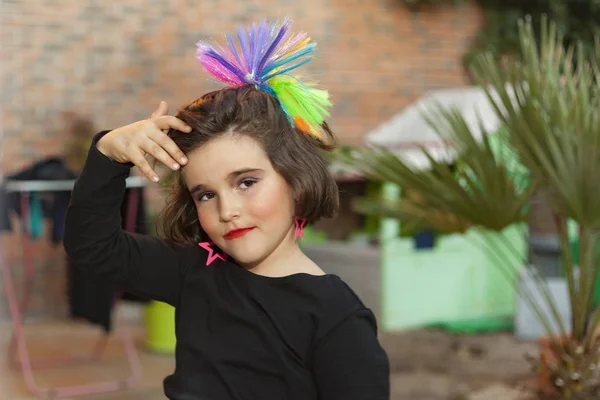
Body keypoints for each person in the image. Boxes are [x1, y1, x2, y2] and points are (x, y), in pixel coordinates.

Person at [64, 19, 390, 400]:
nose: (228, 210)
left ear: (295, 180)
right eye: (205, 194)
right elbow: (92, 245)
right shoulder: (194, 274)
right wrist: (108, 155)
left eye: (246, 182)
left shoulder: (337, 320)